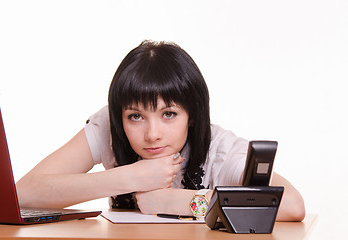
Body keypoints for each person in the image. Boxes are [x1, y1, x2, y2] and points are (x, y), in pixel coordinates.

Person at [16, 40, 305, 221]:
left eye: (169, 114)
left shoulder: (220, 149)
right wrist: (126, 177)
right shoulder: (108, 127)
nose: (152, 134)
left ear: (192, 114)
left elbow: (292, 205)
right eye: (136, 116)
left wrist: (187, 202)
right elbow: (24, 193)